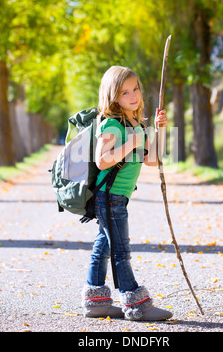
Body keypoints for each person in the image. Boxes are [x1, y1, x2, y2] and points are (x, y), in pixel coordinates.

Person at [81, 66, 172, 321]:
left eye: (136, 89)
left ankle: (96, 302)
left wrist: (158, 129)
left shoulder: (136, 124)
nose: (133, 96)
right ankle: (137, 305)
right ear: (113, 97)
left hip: (118, 198)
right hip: (107, 197)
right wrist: (129, 143)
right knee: (121, 250)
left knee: (104, 246)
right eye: (124, 92)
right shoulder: (111, 124)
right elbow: (102, 160)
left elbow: (153, 160)